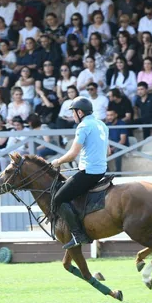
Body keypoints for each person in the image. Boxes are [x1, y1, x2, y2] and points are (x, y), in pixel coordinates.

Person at [50, 97, 109, 249]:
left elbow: (72, 154)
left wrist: (57, 162)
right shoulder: (101, 124)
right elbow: (107, 151)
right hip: (101, 170)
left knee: (58, 199)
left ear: (80, 112)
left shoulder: (83, 126)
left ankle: (78, 235)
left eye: (73, 112)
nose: (73, 115)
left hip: (89, 172)